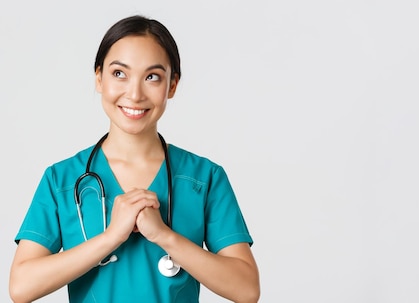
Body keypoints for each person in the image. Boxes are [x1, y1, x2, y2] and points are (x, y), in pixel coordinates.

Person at [9, 15, 260, 303]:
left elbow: (247, 289)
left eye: (152, 77)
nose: (135, 93)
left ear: (173, 85)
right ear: (99, 77)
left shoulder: (204, 178)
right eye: (119, 74)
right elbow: (21, 287)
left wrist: (165, 236)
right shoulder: (62, 180)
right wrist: (111, 237)